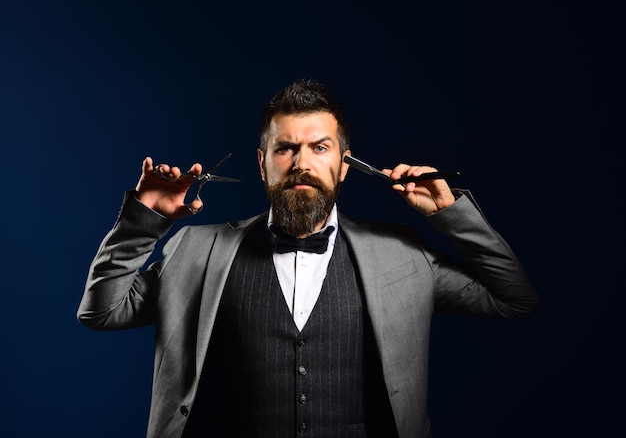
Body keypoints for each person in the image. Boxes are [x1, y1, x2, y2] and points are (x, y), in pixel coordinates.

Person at [78, 79, 539, 438]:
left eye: (319, 147)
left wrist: (450, 213)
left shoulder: (401, 255)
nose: (302, 162)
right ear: (263, 164)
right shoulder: (198, 251)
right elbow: (101, 311)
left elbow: (514, 298)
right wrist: (143, 220)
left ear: (343, 164)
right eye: (286, 148)